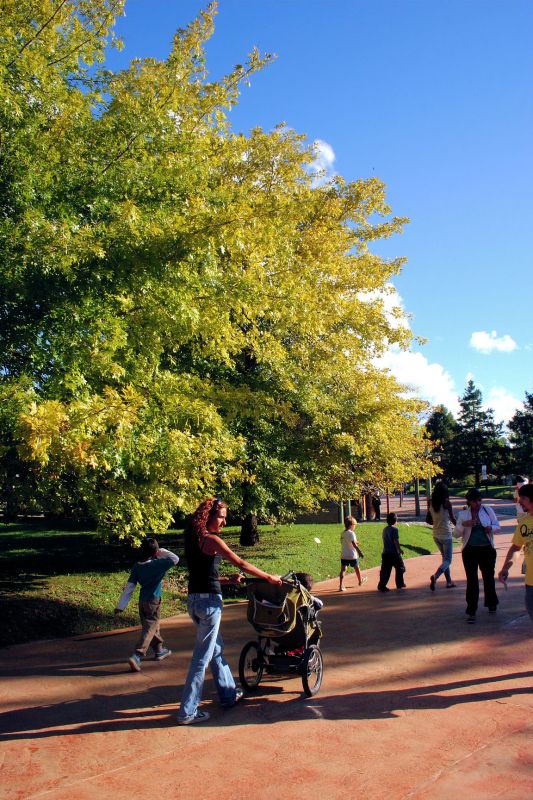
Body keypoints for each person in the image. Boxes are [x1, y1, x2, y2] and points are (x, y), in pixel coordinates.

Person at [177, 497, 282, 725]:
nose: (224, 523)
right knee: (201, 659)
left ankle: (227, 694)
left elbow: (203, 575)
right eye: (222, 517)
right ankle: (187, 712)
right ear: (209, 516)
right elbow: (241, 562)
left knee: (215, 649)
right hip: (210, 605)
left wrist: (227, 580)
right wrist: (269, 577)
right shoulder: (211, 540)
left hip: (194, 601)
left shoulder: (193, 538)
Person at [115, 537, 179, 672]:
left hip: (142, 601)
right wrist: (160, 551)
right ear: (155, 552)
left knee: (153, 626)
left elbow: (130, 587)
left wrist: (121, 606)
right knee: (150, 628)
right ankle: (137, 655)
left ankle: (159, 650)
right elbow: (175, 558)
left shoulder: (137, 566)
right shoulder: (158, 564)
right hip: (154, 600)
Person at [454, 487, 500, 623]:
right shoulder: (463, 515)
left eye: (479, 500)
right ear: (469, 502)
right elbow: (456, 534)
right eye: (475, 501)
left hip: (486, 549)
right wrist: (464, 525)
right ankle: (471, 610)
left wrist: (491, 528)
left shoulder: (487, 510)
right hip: (470, 551)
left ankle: (492, 603)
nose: (478, 503)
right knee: (472, 580)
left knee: (488, 577)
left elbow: (497, 525)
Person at [498, 483, 533, 623]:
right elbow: (516, 548)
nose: (519, 501)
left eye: (523, 498)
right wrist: (506, 567)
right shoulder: (524, 522)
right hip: (531, 582)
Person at [428, 482, 457, 591]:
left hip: (436, 534)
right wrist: (460, 527)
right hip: (446, 534)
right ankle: (435, 576)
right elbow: (453, 519)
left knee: (444, 559)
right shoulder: (447, 503)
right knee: (448, 560)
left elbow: (430, 517)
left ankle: (449, 582)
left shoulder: (431, 502)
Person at [377, 512, 406, 592]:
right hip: (394, 553)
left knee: (385, 570)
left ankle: (381, 585)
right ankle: (399, 583)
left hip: (385, 553)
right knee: (401, 568)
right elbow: (395, 540)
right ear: (395, 520)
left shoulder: (385, 529)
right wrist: (399, 549)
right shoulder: (395, 529)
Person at [339, 516, 367, 591]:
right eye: (354, 525)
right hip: (352, 555)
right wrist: (360, 552)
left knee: (343, 569)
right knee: (357, 568)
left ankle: (341, 585)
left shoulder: (343, 533)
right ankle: (360, 581)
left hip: (344, 555)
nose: (355, 526)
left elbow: (343, 542)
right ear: (351, 525)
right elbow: (354, 544)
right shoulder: (352, 533)